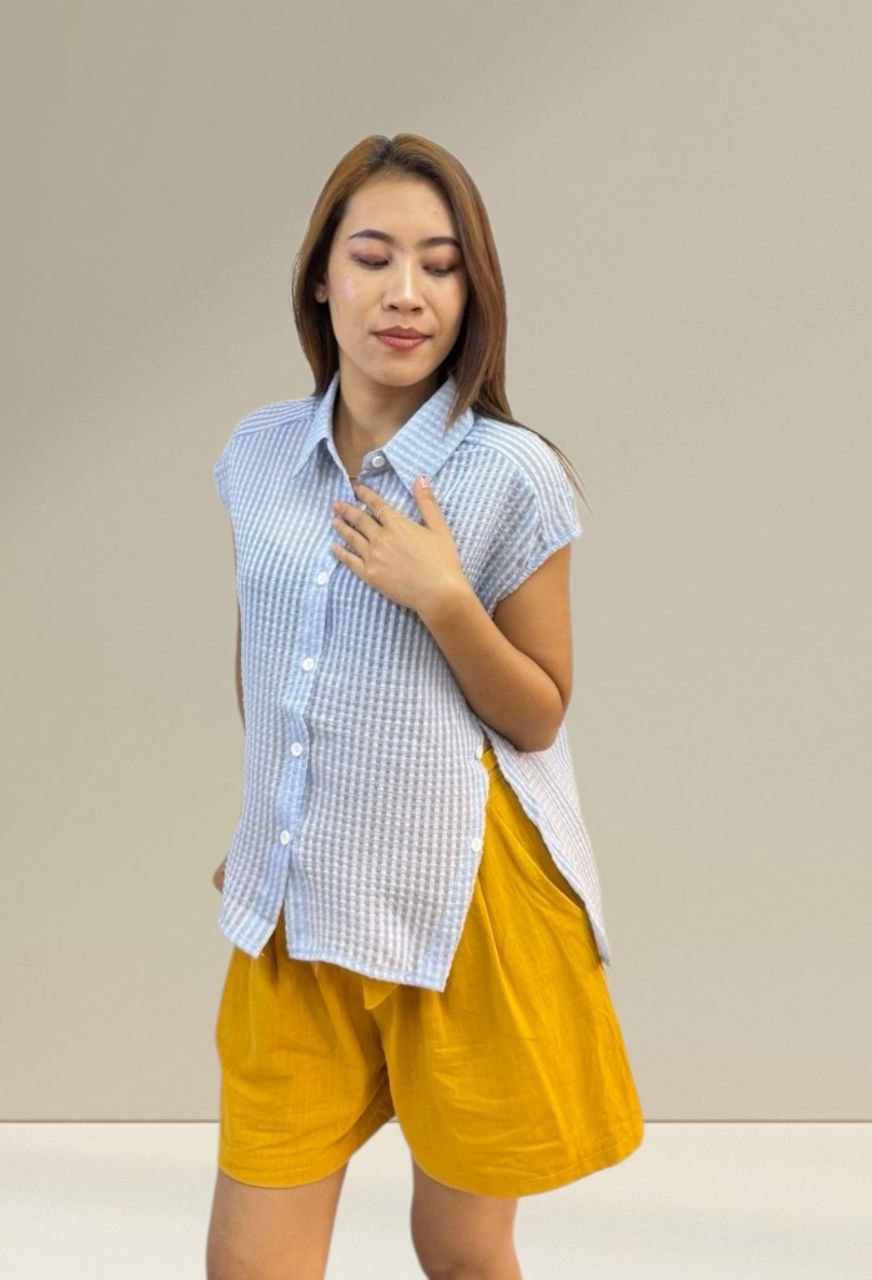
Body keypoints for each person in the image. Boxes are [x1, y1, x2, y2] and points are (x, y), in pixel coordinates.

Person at [205, 133, 644, 1280]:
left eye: (441, 265)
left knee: (459, 1250)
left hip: (465, 906)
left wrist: (446, 598)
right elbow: (269, 653)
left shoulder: (510, 473)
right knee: (249, 1262)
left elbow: (539, 712)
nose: (407, 292)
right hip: (301, 908)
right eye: (374, 256)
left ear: (471, 290)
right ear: (321, 277)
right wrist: (270, 822)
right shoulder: (259, 454)